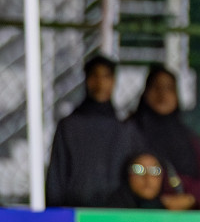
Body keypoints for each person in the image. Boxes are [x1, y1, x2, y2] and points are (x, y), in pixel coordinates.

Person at [45, 54, 143, 207]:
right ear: (87, 80)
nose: (100, 83)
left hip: (118, 213)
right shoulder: (69, 126)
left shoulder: (126, 128)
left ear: (113, 81)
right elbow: (57, 177)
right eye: (95, 76)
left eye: (106, 76)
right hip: (76, 211)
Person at [130, 64, 200, 209]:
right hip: (138, 210)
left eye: (169, 88)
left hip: (184, 216)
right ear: (146, 92)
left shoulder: (188, 137)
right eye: (157, 88)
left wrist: (190, 198)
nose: (162, 95)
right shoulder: (131, 131)